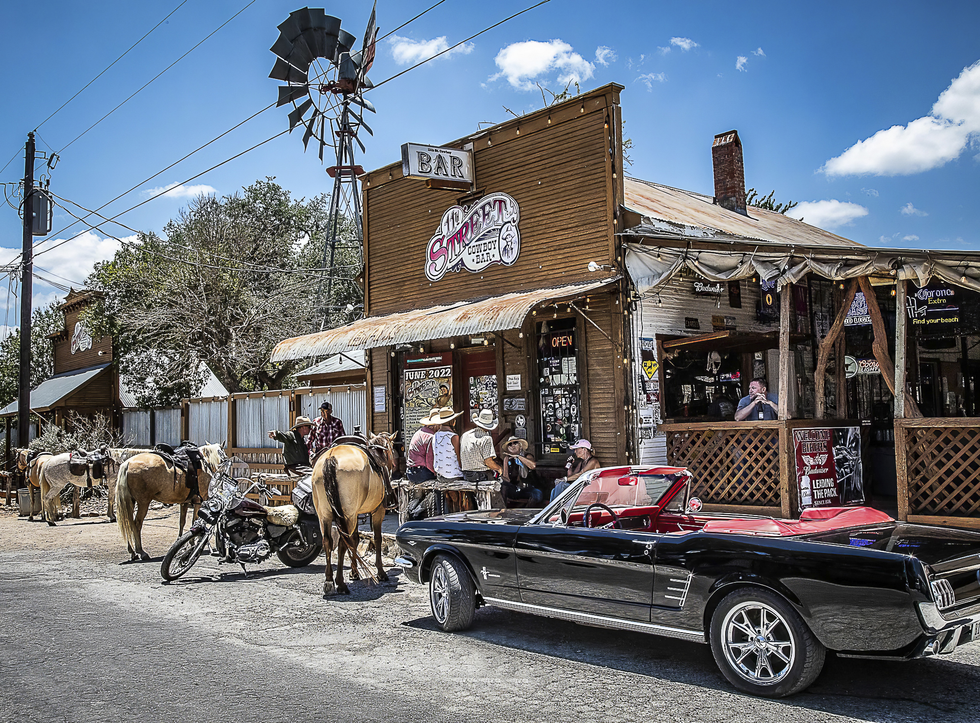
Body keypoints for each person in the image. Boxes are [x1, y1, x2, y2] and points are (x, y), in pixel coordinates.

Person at [499, 436, 545, 508]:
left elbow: (533, 466)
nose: (512, 446)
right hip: (515, 488)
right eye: (510, 444)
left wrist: (518, 456)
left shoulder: (527, 456)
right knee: (503, 487)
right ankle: (503, 510)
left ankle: (528, 514)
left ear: (520, 445)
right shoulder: (507, 459)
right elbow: (506, 478)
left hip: (529, 487)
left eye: (515, 443)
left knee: (537, 494)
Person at [460, 409, 503, 482]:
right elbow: (488, 462)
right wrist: (498, 468)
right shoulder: (486, 438)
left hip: (466, 474)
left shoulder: (465, 435)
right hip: (481, 475)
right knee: (498, 483)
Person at [406, 408, 443, 483]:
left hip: (410, 472)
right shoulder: (430, 437)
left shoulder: (419, 432)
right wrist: (437, 473)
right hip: (421, 473)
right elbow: (430, 461)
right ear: (435, 425)